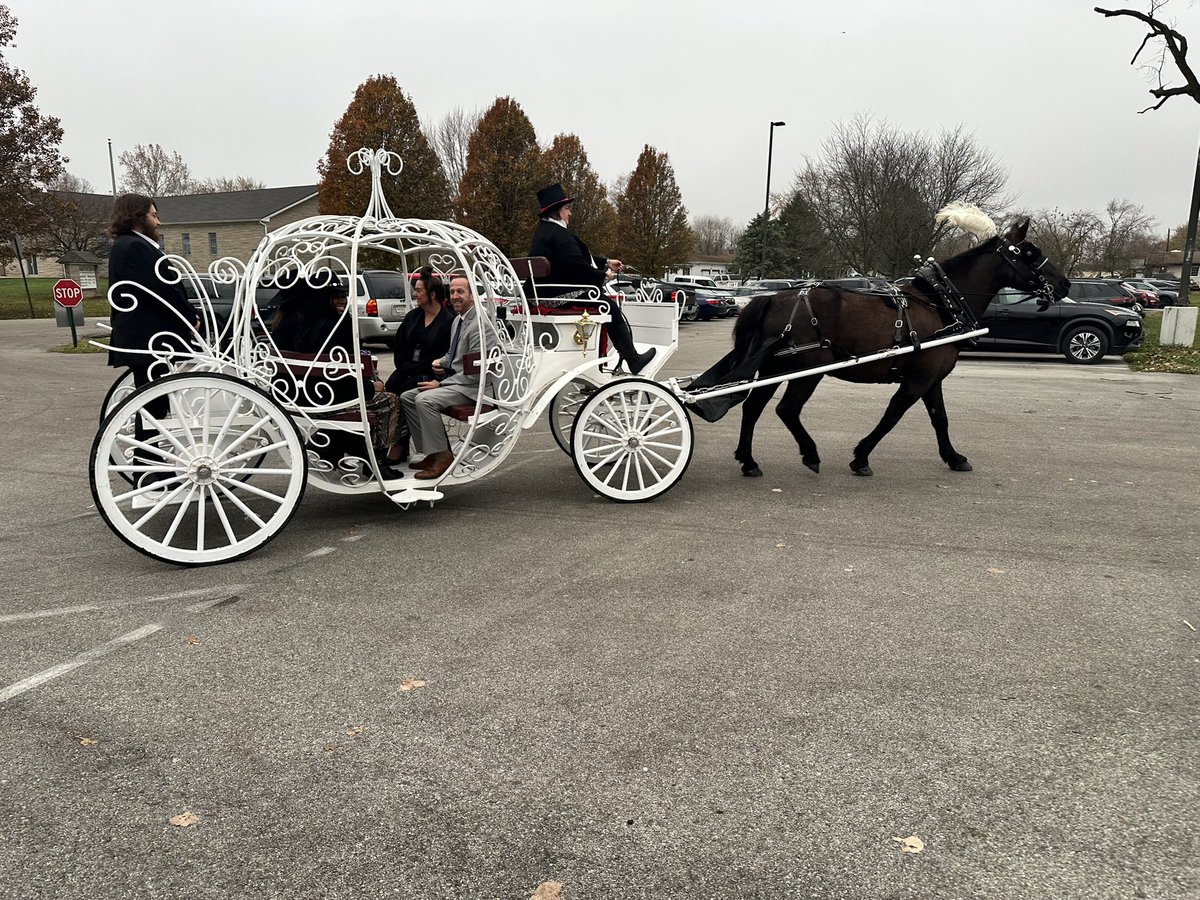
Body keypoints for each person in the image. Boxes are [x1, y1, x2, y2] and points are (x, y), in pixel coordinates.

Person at [271, 273, 405, 479]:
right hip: (326, 398)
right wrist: (370, 387)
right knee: (390, 401)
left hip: (293, 395)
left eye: (343, 295)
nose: (342, 300)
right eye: (336, 296)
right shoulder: (337, 326)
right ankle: (376, 461)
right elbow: (341, 379)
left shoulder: (285, 324)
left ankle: (332, 447)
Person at [106, 193, 199, 488]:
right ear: (137, 216)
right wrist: (190, 317)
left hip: (148, 339)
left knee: (154, 406)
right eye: (153, 215)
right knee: (153, 408)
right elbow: (163, 289)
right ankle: (148, 471)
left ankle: (150, 468)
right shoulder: (135, 247)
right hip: (150, 339)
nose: (158, 221)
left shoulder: (130, 246)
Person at [528, 182, 655, 375]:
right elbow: (576, 265)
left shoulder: (545, 232)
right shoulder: (560, 234)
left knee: (606, 303)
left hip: (542, 293)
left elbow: (572, 258)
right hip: (558, 295)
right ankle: (633, 359)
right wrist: (603, 276)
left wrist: (607, 263)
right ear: (556, 211)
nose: (570, 213)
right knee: (609, 306)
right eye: (567, 209)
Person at [400, 274, 481, 481]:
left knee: (424, 399)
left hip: (474, 388)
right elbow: (453, 354)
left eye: (460, 291)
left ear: (472, 295)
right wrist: (441, 361)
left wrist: (440, 383)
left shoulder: (480, 325)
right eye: (452, 291)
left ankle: (443, 457)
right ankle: (433, 452)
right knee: (407, 397)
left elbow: (474, 374)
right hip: (459, 383)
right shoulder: (459, 321)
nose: (455, 296)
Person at [383, 266, 454, 463]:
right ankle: (396, 441)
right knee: (391, 387)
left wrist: (420, 367)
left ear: (432, 294)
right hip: (408, 368)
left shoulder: (448, 321)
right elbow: (399, 346)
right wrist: (405, 367)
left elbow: (445, 357)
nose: (415, 294)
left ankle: (401, 444)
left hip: (433, 374)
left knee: (405, 392)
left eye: (419, 290)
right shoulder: (413, 316)